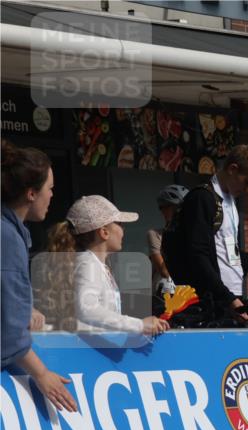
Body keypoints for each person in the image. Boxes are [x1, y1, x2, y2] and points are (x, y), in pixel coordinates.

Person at [0, 139, 77, 411]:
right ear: (31, 193)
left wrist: (25, 308)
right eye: (50, 188)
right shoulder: (7, 237)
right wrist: (42, 373)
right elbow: (7, 329)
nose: (52, 195)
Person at [161, 145, 248, 324]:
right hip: (212, 300)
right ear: (232, 169)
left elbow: (228, 252)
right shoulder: (202, 198)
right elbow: (198, 255)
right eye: (247, 183)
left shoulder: (229, 201)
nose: (247, 190)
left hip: (230, 296)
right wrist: (227, 298)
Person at [49, 196, 169, 336]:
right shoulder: (88, 263)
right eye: (119, 223)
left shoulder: (94, 263)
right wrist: (140, 325)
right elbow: (86, 309)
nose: (123, 229)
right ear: (104, 232)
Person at [149, 184, 187, 296]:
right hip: (167, 291)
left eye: (166, 207)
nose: (163, 211)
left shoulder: (194, 234)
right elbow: (165, 272)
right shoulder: (155, 234)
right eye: (161, 207)